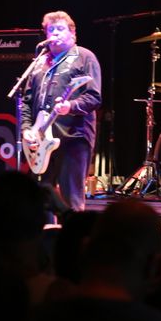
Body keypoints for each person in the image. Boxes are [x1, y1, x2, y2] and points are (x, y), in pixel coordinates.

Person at [22, 11, 102, 211]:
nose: (55, 33)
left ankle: (74, 231)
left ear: (73, 33)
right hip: (41, 140)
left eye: (60, 29)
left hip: (73, 136)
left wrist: (70, 106)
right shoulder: (39, 62)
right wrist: (26, 129)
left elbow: (94, 97)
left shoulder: (84, 57)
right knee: (39, 200)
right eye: (51, 30)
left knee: (71, 200)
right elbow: (26, 101)